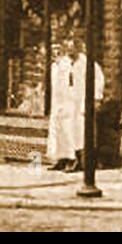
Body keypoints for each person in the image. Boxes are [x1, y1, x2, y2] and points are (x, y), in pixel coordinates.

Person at [70, 39, 104, 174]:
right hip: (73, 102)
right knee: (74, 132)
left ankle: (90, 161)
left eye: (71, 48)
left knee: (88, 132)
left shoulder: (88, 63)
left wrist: (97, 98)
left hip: (86, 101)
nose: (69, 51)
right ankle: (78, 160)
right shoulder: (71, 64)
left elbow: (99, 80)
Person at [46, 39, 79, 170]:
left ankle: (71, 159)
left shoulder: (68, 65)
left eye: (58, 50)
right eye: (53, 51)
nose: (55, 53)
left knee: (69, 131)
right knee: (56, 131)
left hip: (68, 102)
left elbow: (72, 84)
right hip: (56, 103)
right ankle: (59, 158)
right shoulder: (54, 67)